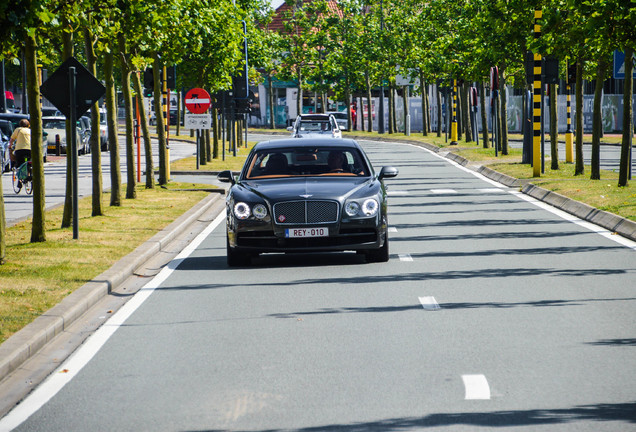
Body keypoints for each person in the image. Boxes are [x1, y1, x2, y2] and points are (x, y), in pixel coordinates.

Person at [10, 119, 31, 189]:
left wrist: (10, 145)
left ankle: (19, 180)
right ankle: (29, 174)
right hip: (29, 150)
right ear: (28, 125)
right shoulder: (30, 130)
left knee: (19, 164)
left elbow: (12, 139)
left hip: (20, 150)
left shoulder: (18, 130)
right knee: (28, 163)